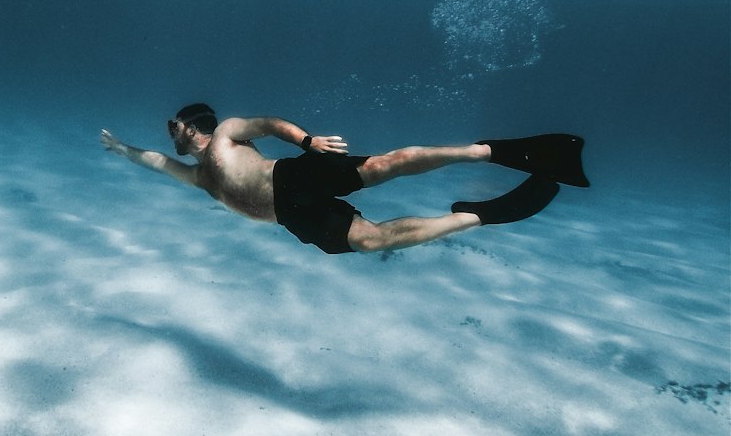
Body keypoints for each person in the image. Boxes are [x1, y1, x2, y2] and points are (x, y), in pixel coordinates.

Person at [100, 103, 589, 256]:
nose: (170, 138)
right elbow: (158, 165)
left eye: (173, 128)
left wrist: (306, 141)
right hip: (291, 215)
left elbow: (266, 125)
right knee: (373, 243)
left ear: (193, 125)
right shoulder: (198, 177)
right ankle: (485, 215)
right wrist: (123, 150)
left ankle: (500, 150)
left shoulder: (226, 134)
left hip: (293, 172)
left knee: (386, 165)